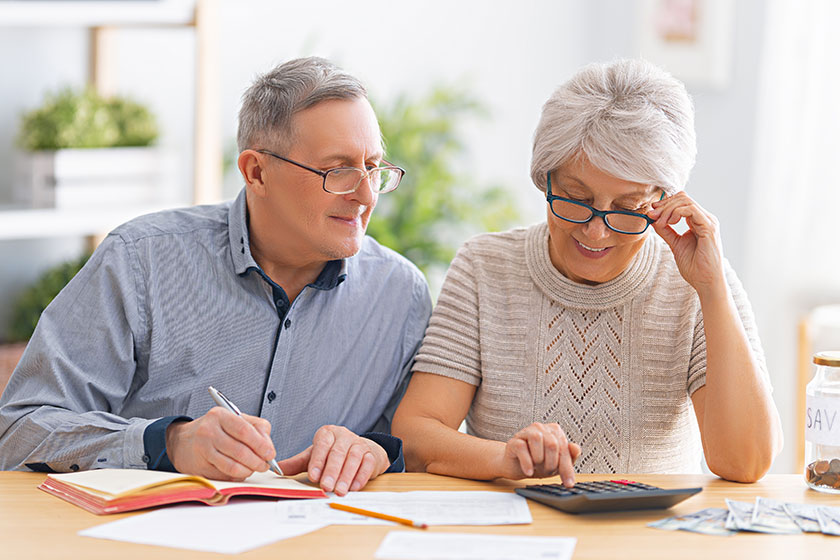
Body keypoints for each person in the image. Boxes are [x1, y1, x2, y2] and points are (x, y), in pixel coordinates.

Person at [0, 57, 432, 496]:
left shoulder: (401, 295)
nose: (364, 195)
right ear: (256, 172)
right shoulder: (140, 262)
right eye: (338, 171)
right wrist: (170, 443)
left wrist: (373, 451)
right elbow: (19, 431)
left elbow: (412, 447)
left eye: (374, 169)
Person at [392, 59, 783, 486]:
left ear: (663, 201)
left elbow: (745, 462)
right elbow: (414, 435)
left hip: (647, 541)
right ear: (545, 180)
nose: (595, 231)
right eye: (576, 198)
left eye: (628, 208)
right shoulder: (485, 268)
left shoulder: (696, 283)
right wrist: (507, 458)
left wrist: (711, 290)